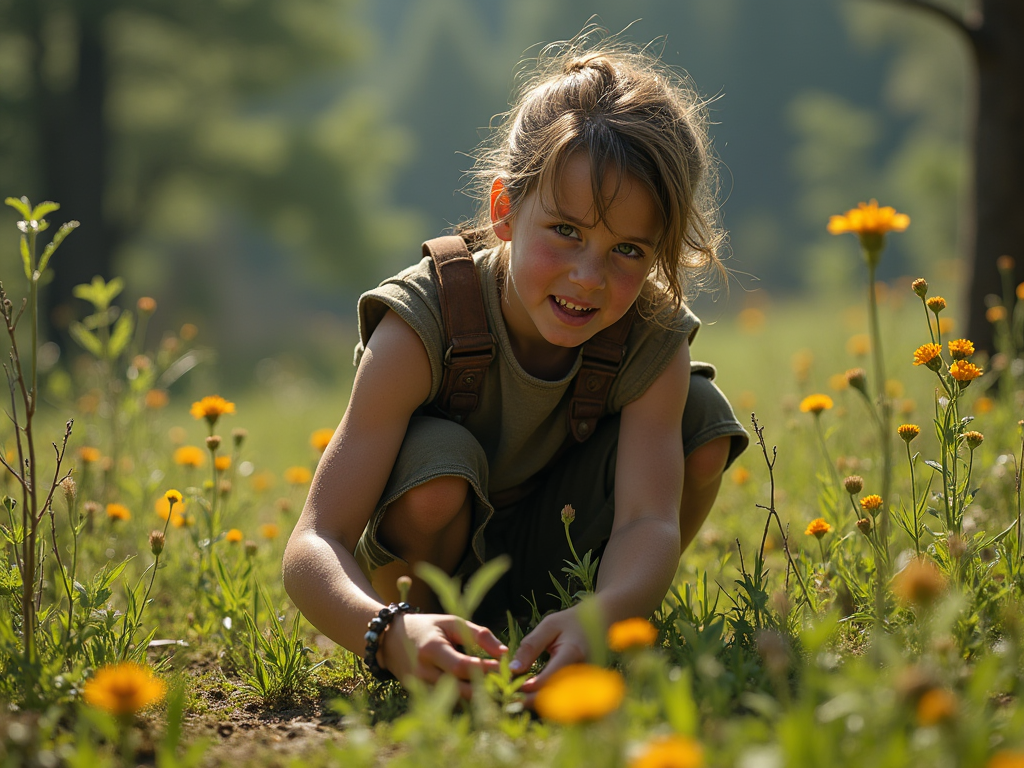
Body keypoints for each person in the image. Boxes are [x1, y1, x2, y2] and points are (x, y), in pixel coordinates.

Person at [283, 32, 748, 701]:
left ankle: (566, 625)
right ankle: (435, 641)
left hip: (555, 555)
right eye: (567, 231)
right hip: (424, 570)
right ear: (504, 210)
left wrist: (607, 615)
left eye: (627, 250)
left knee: (701, 423)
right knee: (439, 469)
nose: (589, 277)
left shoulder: (651, 336)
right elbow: (312, 542)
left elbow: (650, 519)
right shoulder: (423, 320)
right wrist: (385, 631)